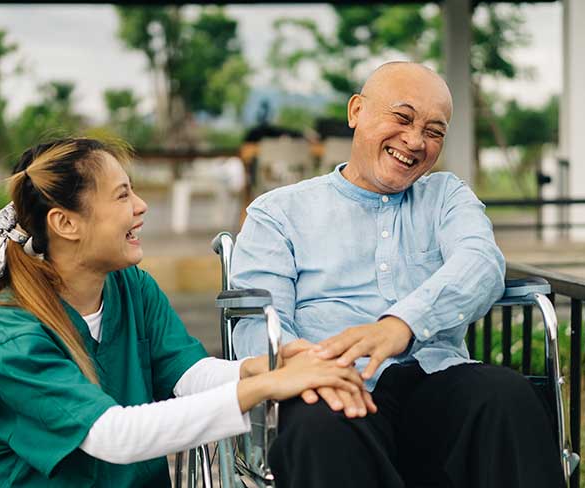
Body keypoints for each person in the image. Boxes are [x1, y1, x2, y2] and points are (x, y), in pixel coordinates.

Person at [0, 138, 367, 487]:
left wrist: (263, 367)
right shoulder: (11, 332)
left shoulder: (130, 286)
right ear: (65, 224)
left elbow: (186, 375)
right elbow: (112, 435)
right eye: (122, 194)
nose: (142, 206)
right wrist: (267, 387)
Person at [231, 62, 565, 488]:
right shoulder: (278, 212)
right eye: (402, 118)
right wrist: (311, 368)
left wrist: (402, 324)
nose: (414, 141)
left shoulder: (446, 196)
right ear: (356, 112)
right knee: (317, 426)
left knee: (504, 395)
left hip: (436, 380)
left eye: (434, 131)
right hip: (334, 388)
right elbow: (259, 322)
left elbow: (481, 261)